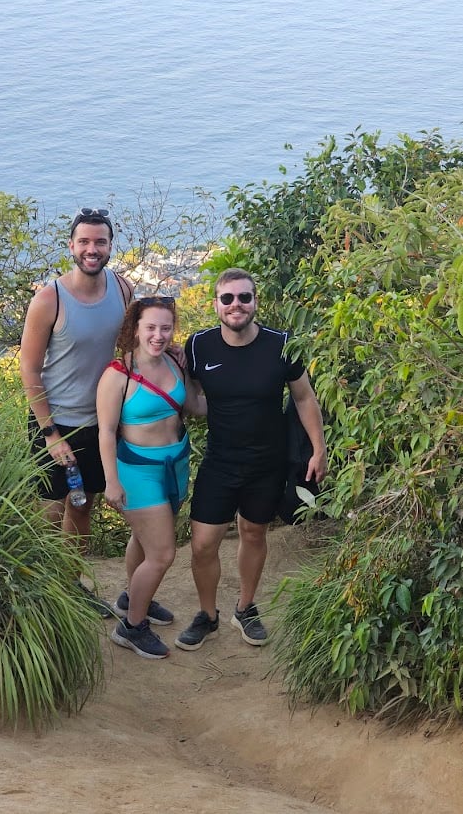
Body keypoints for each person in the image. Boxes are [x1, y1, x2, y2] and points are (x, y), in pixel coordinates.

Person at [175, 268, 328, 651]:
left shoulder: (281, 344)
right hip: (219, 462)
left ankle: (245, 608)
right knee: (202, 544)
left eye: (244, 297)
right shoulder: (199, 346)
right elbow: (193, 397)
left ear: (255, 301)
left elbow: (304, 397)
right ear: (216, 304)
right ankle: (207, 615)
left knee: (254, 532)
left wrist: (319, 448)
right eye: (227, 298)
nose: (236, 305)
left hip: (267, 463)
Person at [20, 207, 133, 616]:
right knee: (49, 513)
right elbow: (29, 368)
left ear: (110, 246)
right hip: (55, 423)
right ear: (71, 246)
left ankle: (70, 588)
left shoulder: (122, 289)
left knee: (83, 506)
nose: (92, 249)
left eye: (100, 241)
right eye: (84, 241)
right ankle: (42, 597)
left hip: (100, 423)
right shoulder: (50, 298)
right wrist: (50, 434)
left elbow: (131, 348)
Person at [96, 296, 206, 659]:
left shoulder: (175, 362)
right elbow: (106, 432)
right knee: (161, 554)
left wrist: (228, 389)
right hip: (137, 470)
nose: (159, 335)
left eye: (166, 328)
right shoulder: (118, 374)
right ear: (135, 329)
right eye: (151, 328)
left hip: (175, 463)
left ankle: (133, 598)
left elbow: (194, 407)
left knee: (143, 542)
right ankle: (131, 627)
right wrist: (111, 481)